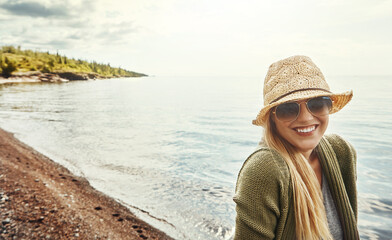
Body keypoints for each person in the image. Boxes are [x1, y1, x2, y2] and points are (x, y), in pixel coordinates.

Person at [233, 55, 359, 240]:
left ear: (328, 106)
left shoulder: (342, 152)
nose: (306, 118)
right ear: (272, 119)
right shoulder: (264, 170)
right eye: (288, 109)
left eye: (317, 103)